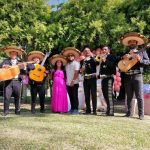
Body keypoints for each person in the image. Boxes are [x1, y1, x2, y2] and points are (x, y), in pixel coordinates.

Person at [120, 32, 150, 120]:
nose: (132, 43)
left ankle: (141, 115)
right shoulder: (125, 53)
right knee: (128, 96)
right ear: (128, 44)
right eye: (130, 42)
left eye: (133, 42)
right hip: (127, 76)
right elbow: (121, 65)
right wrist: (123, 59)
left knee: (139, 96)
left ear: (136, 43)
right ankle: (129, 113)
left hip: (137, 76)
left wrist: (140, 60)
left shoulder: (142, 51)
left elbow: (148, 62)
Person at [0, 46, 26, 116]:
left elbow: (24, 73)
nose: (13, 54)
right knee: (6, 96)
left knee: (17, 97)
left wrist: (24, 67)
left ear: (16, 54)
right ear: (10, 54)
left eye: (15, 53)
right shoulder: (6, 61)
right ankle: (6, 111)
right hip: (8, 81)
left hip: (17, 81)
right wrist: (4, 66)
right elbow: (1, 65)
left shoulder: (20, 62)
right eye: (12, 53)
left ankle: (17, 110)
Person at [98, 46, 117, 116]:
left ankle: (111, 111)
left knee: (109, 95)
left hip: (109, 78)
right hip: (103, 78)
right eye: (103, 49)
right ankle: (108, 110)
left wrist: (105, 60)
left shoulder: (112, 56)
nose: (103, 50)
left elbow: (112, 66)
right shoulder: (102, 58)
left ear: (109, 50)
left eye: (105, 49)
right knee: (105, 94)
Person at [61, 47, 81, 114]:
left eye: (71, 55)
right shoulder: (66, 64)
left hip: (74, 82)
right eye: (69, 56)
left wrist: (73, 81)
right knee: (70, 96)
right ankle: (72, 108)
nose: (70, 57)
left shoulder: (76, 63)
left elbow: (76, 73)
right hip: (68, 83)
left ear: (74, 56)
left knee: (75, 96)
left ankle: (76, 109)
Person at [80, 46, 99, 115]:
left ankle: (94, 110)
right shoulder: (83, 61)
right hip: (86, 79)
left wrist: (92, 56)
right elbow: (81, 71)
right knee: (86, 95)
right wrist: (81, 70)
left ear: (90, 51)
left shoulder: (93, 58)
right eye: (85, 51)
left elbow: (97, 63)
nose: (86, 52)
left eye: (88, 51)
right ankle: (88, 110)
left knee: (94, 95)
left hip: (92, 78)